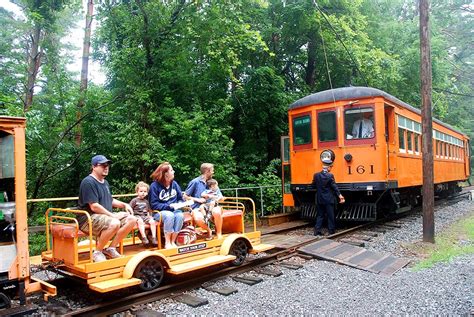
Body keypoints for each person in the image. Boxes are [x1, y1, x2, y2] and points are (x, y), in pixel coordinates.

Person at [78, 155, 137, 263]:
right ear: (94, 167)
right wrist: (112, 215)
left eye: (107, 165)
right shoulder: (88, 182)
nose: (106, 167)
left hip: (103, 217)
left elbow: (110, 200)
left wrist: (124, 205)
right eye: (103, 165)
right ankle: (97, 252)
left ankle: (111, 248)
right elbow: (94, 206)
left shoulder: (105, 182)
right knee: (114, 222)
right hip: (87, 219)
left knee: (132, 219)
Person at [149, 162, 185, 249]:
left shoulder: (174, 184)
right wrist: (169, 206)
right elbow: (154, 204)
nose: (174, 172)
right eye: (172, 170)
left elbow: (180, 198)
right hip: (159, 212)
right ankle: (167, 242)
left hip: (174, 210)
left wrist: (181, 203)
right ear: (166, 174)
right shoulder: (154, 186)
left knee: (180, 215)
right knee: (169, 215)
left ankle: (173, 241)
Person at [184, 163, 223, 239]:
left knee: (217, 211)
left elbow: (220, 195)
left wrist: (217, 198)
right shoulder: (195, 182)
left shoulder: (212, 182)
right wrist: (197, 199)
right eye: (212, 171)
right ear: (207, 171)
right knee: (198, 218)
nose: (213, 172)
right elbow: (185, 196)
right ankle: (209, 231)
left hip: (212, 206)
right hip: (198, 208)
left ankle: (219, 233)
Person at [312, 158, 345, 236]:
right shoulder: (330, 176)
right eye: (331, 167)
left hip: (319, 199)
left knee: (320, 215)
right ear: (329, 167)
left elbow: (313, 185)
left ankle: (317, 231)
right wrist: (340, 196)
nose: (331, 168)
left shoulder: (316, 175)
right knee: (330, 215)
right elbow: (334, 187)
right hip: (329, 200)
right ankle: (331, 231)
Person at [129, 181, 158, 248]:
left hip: (144, 216)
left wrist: (150, 216)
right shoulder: (134, 200)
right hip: (137, 216)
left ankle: (154, 237)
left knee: (152, 221)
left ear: (147, 193)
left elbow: (148, 210)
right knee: (140, 221)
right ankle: (144, 237)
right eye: (141, 191)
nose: (143, 193)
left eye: (145, 191)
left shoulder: (146, 201)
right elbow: (130, 209)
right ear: (137, 192)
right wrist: (131, 215)